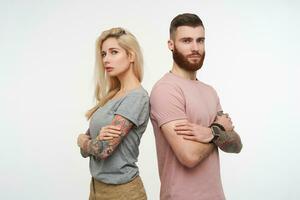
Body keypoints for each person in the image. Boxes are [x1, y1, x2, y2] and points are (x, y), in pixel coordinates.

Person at [150, 13, 243, 200]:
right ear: (171, 45)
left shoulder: (210, 91)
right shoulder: (166, 90)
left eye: (200, 40)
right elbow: (189, 156)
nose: (195, 48)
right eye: (186, 41)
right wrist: (218, 130)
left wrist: (211, 133)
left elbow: (236, 145)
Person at [77, 27, 149, 200]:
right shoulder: (112, 96)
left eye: (113, 52)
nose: (106, 60)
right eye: (103, 54)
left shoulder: (137, 97)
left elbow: (102, 149)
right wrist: (89, 143)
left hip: (122, 192)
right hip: (96, 188)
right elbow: (90, 147)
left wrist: (80, 140)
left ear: (131, 56)